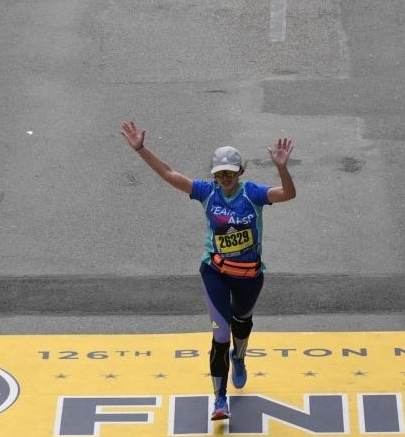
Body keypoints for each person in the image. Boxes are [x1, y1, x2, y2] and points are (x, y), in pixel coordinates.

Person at [121, 120, 296, 421]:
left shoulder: (252, 194)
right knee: (221, 333)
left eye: (230, 173)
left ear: (241, 172)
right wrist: (141, 149)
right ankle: (219, 399)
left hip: (249, 276)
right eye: (220, 174)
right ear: (214, 175)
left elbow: (289, 194)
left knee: (242, 323)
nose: (225, 179)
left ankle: (239, 358)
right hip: (214, 272)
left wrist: (281, 168)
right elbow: (168, 174)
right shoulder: (206, 192)